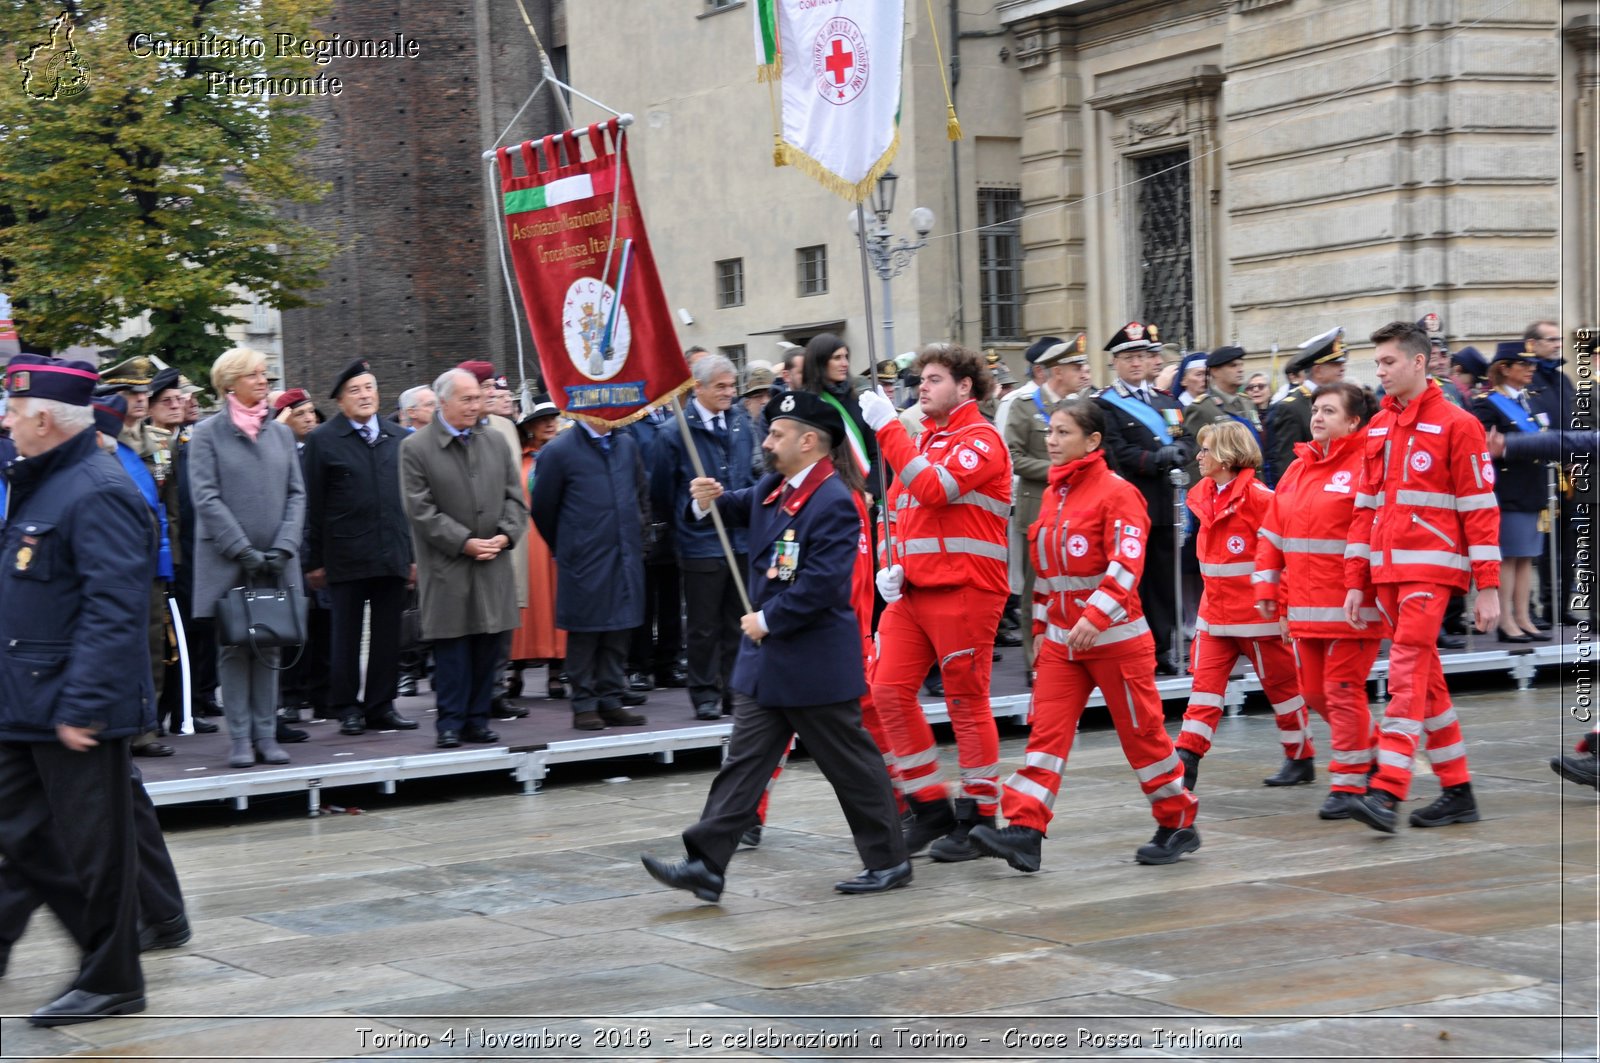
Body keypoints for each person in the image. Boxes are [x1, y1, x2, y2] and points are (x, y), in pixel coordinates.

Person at [640, 391, 909, 900]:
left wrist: (767, 618)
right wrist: (706, 499)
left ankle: (890, 860)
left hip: (812, 664)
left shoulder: (832, 500)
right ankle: (706, 863)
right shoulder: (776, 486)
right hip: (769, 665)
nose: (766, 441)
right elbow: (733, 506)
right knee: (743, 764)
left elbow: (823, 585)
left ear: (809, 442)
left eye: (777, 434)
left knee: (852, 767)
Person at [968, 399, 1200, 871]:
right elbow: (1046, 579)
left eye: (1062, 433)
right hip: (1061, 646)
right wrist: (1039, 637)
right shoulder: (1055, 494)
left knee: (1145, 741)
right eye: (1049, 432)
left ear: (1093, 442)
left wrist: (1093, 620)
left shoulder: (1118, 493)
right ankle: (1025, 831)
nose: (1051, 442)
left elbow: (1126, 564)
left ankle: (1178, 822)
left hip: (1115, 643)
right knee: (1045, 739)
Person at [0, 354, 153, 1024]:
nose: (4, 421)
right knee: (25, 837)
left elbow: (114, 609)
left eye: (11, 410)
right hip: (27, 698)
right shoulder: (46, 481)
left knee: (98, 852)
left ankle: (113, 975)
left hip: (71, 706)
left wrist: (84, 705)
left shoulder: (96, 490)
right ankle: (103, 957)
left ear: (43, 418)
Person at [1344, 320, 1501, 832]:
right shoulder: (1380, 426)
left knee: (1407, 673)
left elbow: (1480, 509)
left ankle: (1388, 790)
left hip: (1433, 572)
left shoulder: (1459, 424)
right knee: (1427, 682)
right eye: (1378, 363)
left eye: (1388, 362)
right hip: (1388, 573)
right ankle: (1458, 790)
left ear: (1419, 361)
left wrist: (1489, 587)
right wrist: (1355, 579)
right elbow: (1364, 508)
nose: (1381, 371)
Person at [858, 343, 1012, 862]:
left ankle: (978, 816)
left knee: (966, 704)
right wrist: (888, 564)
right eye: (921, 380)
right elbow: (894, 514)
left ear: (965, 387)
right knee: (886, 693)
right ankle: (929, 806)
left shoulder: (982, 439)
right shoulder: (921, 439)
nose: (921, 387)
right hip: (915, 591)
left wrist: (888, 429)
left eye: (934, 379)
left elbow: (932, 489)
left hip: (967, 590)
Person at [1255, 381, 1390, 819]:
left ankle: (1348, 784)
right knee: (1314, 693)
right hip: (1307, 608)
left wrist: (1361, 587)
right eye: (1316, 409)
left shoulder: (1367, 466)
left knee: (1343, 691)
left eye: (1329, 411)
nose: (1317, 417)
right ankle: (1374, 754)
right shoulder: (1297, 470)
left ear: (1353, 421)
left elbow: (1370, 533)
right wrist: (1269, 592)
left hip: (1352, 607)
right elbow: (1272, 535)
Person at [1173, 421, 1312, 790]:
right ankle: (1187, 758)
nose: (1199, 456)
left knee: (1283, 690)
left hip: (1258, 617)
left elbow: (1282, 559)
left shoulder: (1260, 499)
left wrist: (1283, 611)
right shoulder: (1205, 495)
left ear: (1227, 456)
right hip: (1215, 617)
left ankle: (1301, 757)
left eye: (1206, 450)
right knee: (1203, 690)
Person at [188, 347, 306, 769]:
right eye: (255, 375)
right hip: (229, 560)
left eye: (265, 375)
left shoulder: (281, 434)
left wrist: (284, 547)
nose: (264, 381)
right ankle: (240, 738)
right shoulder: (206, 434)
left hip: (276, 560)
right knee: (234, 647)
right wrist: (244, 550)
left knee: (270, 646)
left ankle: (266, 734)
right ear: (230, 383)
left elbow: (297, 493)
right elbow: (206, 497)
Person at [400, 369, 526, 746]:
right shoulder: (416, 448)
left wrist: (506, 534)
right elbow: (420, 511)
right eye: (467, 399)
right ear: (444, 403)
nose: (476, 406)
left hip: (493, 561)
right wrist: (464, 542)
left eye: (478, 398)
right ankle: (450, 723)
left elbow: (516, 499)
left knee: (489, 645)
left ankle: (478, 719)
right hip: (448, 564)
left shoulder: (496, 442)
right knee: (453, 647)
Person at [302, 359, 418, 736]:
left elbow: (411, 502)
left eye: (369, 387)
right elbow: (313, 504)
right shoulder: (323, 440)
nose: (365, 395)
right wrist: (314, 561)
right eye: (355, 390)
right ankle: (347, 706)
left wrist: (412, 556)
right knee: (345, 636)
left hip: (391, 553)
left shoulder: (398, 436)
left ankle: (381, 705)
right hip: (344, 555)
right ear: (339, 400)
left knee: (388, 637)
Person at [530, 385, 651, 732]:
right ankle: (584, 703)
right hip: (585, 556)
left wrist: (639, 536)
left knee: (619, 629)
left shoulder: (626, 444)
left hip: (624, 553)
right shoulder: (560, 451)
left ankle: (611, 698)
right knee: (586, 632)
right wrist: (567, 545)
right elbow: (543, 509)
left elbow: (640, 494)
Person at [657, 354, 756, 720]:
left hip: (740, 540)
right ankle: (703, 693)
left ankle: (734, 688)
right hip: (700, 542)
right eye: (721, 387)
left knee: (738, 621)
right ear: (697, 388)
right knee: (702, 625)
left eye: (733, 386)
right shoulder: (675, 431)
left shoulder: (741, 424)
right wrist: (692, 509)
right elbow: (663, 491)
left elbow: (749, 475)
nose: (730, 393)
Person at [1096, 322, 1189, 674]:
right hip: (1132, 502)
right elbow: (1114, 450)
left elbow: (1188, 437)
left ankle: (1163, 646)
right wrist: (1154, 460)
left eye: (1142, 356)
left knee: (1164, 579)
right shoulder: (1106, 405)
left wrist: (1181, 451)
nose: (1136, 363)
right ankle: (1138, 647)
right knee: (1134, 579)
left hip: (1166, 504)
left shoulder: (1167, 401)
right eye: (1129, 357)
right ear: (1116, 362)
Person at [1006, 338, 1091, 673]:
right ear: (1058, 372)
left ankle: (1070, 652)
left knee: (1072, 583)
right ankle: (1034, 659)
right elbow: (1013, 457)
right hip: (1037, 511)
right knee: (1033, 590)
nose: (1083, 373)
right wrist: (1058, 471)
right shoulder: (1024, 405)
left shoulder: (1080, 408)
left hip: (1075, 511)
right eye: (1076, 368)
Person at [1473, 342, 1554, 643]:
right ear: (1504, 368)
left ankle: (1522, 616)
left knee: (1526, 557)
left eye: (1533, 365)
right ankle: (1506, 620)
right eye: (1525, 365)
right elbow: (1485, 444)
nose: (1532, 370)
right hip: (1508, 490)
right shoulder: (1486, 402)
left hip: (1532, 487)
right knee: (1508, 557)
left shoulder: (1527, 400)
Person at [509, 396, 567, 698]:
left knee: (557, 601)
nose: (549, 423)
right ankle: (514, 669)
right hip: (525, 539)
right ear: (529, 425)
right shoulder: (517, 459)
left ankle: (557, 669)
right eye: (542, 419)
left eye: (553, 418)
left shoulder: (563, 456)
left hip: (557, 536)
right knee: (525, 603)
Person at [1265, 327, 1347, 486]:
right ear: (1318, 370)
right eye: (1336, 364)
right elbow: (1286, 466)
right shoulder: (1292, 407)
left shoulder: (1340, 400)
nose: (1342, 368)